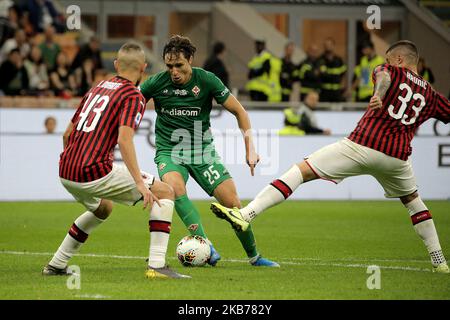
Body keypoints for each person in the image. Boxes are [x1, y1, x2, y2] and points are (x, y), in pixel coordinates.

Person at [211, 40, 450, 274]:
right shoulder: (430, 94)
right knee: (414, 203)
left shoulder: (391, 71)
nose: (385, 63)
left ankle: (246, 214)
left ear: (399, 59)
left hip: (362, 145)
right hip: (397, 159)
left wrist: (378, 94)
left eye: (388, 59)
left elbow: (384, 77)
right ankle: (439, 261)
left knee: (301, 171)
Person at [42, 42, 189, 279]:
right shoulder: (133, 95)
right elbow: (124, 139)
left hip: (65, 170)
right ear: (143, 68)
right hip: (93, 171)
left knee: (103, 208)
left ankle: (56, 264)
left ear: (116, 65)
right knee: (165, 192)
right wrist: (140, 183)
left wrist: (72, 165)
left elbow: (67, 134)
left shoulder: (97, 87)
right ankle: (157, 266)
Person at [139, 35, 279, 267]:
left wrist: (250, 149)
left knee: (232, 202)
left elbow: (240, 112)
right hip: (169, 151)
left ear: (191, 60)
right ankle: (205, 244)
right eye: (170, 66)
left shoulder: (207, 80)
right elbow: (129, 103)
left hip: (202, 152)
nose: (174, 72)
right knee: (173, 188)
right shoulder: (156, 83)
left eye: (179, 66)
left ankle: (255, 256)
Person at [319, 37, 347, 102]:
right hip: (324, 92)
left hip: (337, 92)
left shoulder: (339, 60)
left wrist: (344, 89)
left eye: (330, 45)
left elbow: (344, 75)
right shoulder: (320, 60)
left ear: (333, 46)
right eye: (326, 45)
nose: (328, 47)